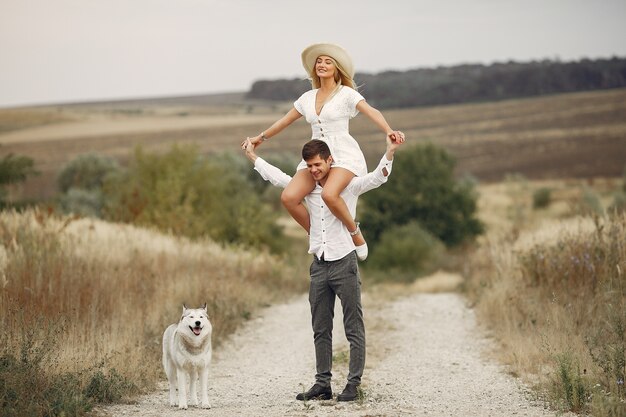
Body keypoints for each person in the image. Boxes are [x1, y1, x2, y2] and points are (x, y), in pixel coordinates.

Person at [243, 135, 403, 402]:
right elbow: (278, 178)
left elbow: (377, 178)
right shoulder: (306, 189)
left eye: (318, 164)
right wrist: (253, 158)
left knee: (353, 326)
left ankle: (353, 385)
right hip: (318, 266)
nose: (314, 170)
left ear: (330, 160)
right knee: (320, 328)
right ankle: (323, 384)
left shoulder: (347, 187)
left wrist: (390, 152)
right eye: (309, 166)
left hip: (345, 262)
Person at [241, 42, 405, 261]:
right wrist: (259, 138)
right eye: (319, 61)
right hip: (316, 154)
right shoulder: (307, 98)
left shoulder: (346, 94)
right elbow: (284, 121)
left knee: (329, 194)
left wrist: (389, 130)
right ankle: (316, 236)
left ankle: (355, 234)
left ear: (336, 68)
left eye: (328, 62)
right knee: (289, 197)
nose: (322, 65)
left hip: (342, 154)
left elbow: (371, 111)